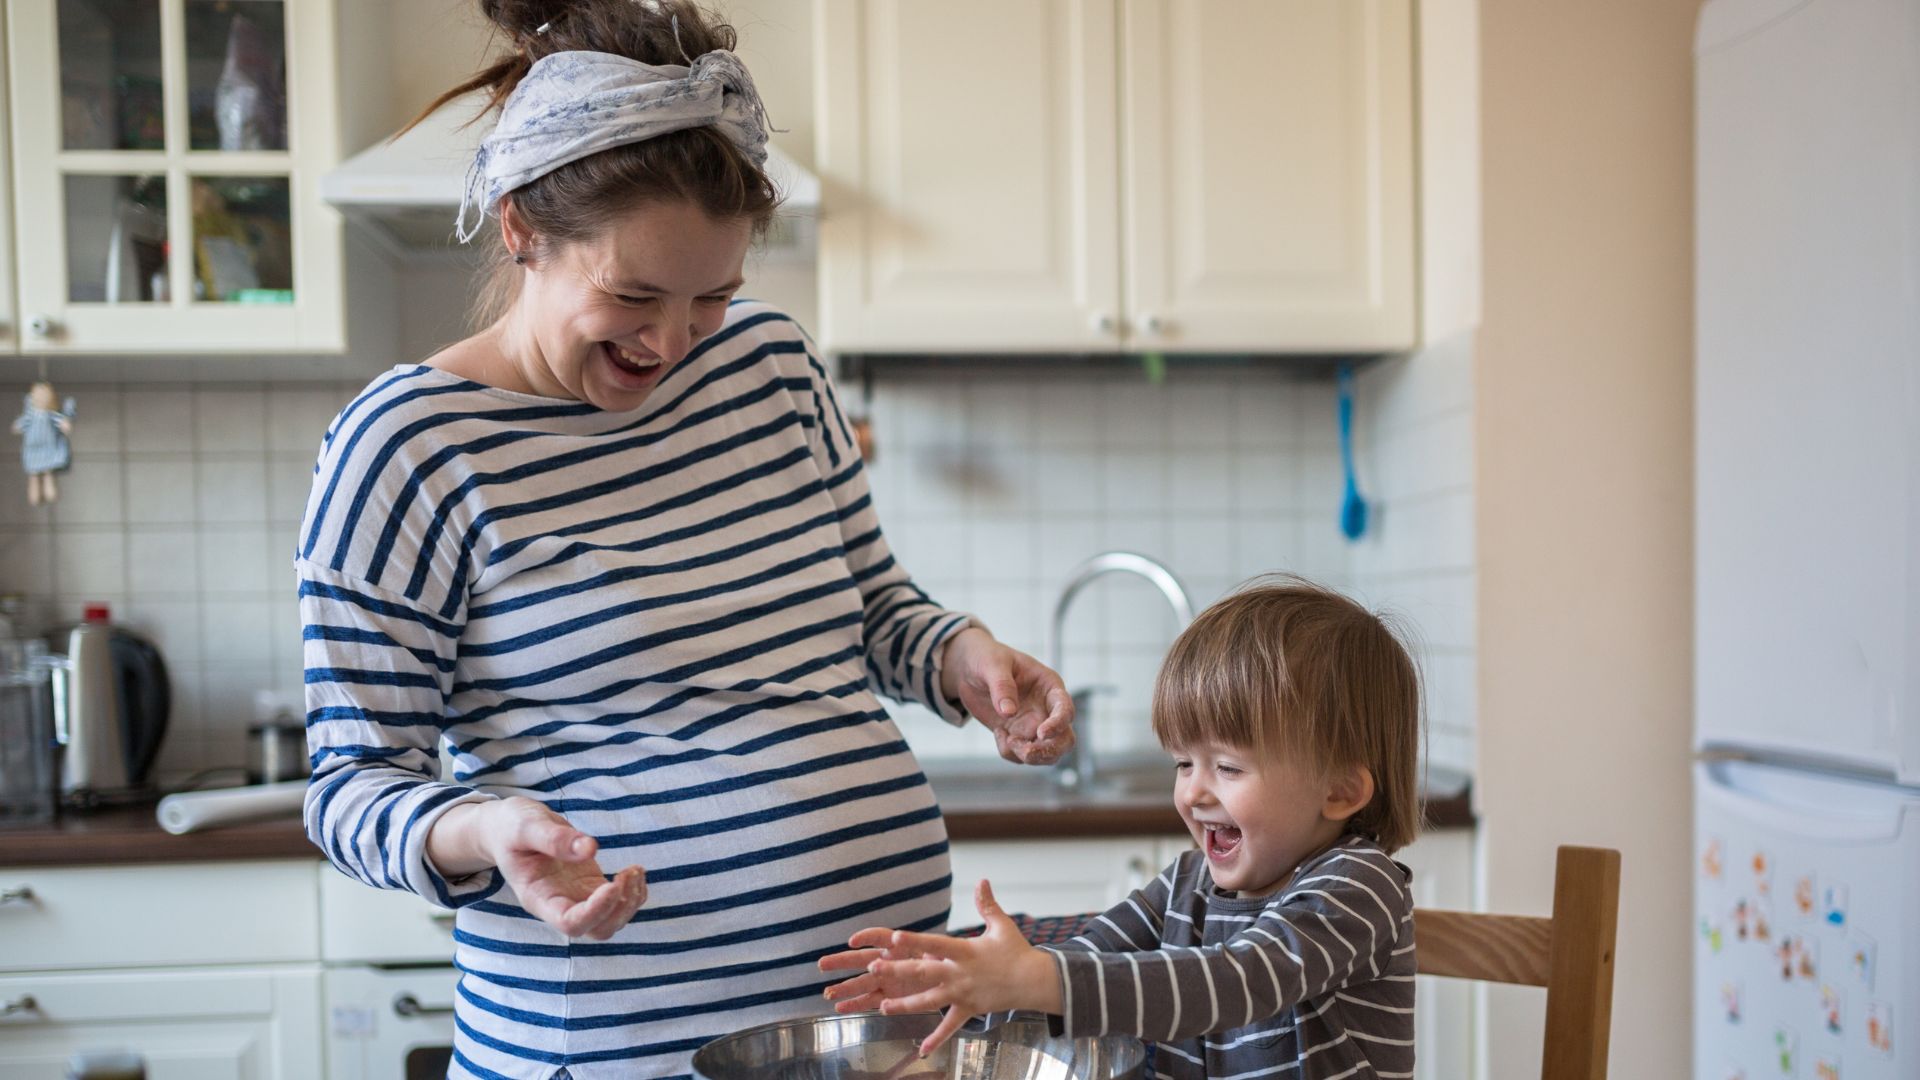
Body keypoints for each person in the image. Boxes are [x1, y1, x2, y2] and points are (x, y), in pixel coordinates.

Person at [296, 3, 1073, 1078]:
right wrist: (481, 832)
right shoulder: (409, 447)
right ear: (523, 229)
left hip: (869, 1037)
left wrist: (960, 658)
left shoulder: (771, 365)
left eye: (712, 295)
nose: (670, 342)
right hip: (616, 1051)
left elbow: (874, 607)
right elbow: (350, 787)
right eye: (632, 295)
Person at [821, 578, 1425, 1079]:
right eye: (1184, 763)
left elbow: (1232, 980)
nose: (1194, 791)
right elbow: (1094, 950)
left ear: (1341, 790)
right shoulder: (1189, 882)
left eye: (1229, 766)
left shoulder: (1359, 887)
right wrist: (985, 985)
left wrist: (1040, 979)